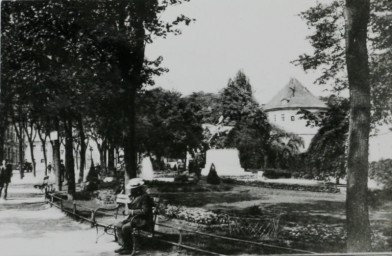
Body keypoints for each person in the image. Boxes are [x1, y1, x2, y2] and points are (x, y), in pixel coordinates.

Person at [114, 178, 153, 255]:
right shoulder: (134, 196)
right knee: (118, 225)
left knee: (125, 227)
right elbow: (132, 207)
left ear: (138, 189)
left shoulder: (145, 197)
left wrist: (131, 212)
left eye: (132, 189)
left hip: (143, 220)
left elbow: (145, 211)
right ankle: (124, 245)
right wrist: (129, 202)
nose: (130, 191)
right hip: (135, 219)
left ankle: (129, 248)